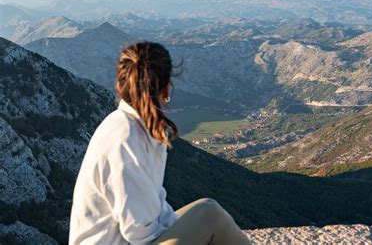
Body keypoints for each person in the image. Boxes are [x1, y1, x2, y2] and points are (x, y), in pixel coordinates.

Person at [69, 41, 252, 245]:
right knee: (210, 214)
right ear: (166, 90)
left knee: (203, 215)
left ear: (119, 86)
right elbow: (139, 232)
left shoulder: (134, 128)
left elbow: (156, 210)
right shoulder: (126, 138)